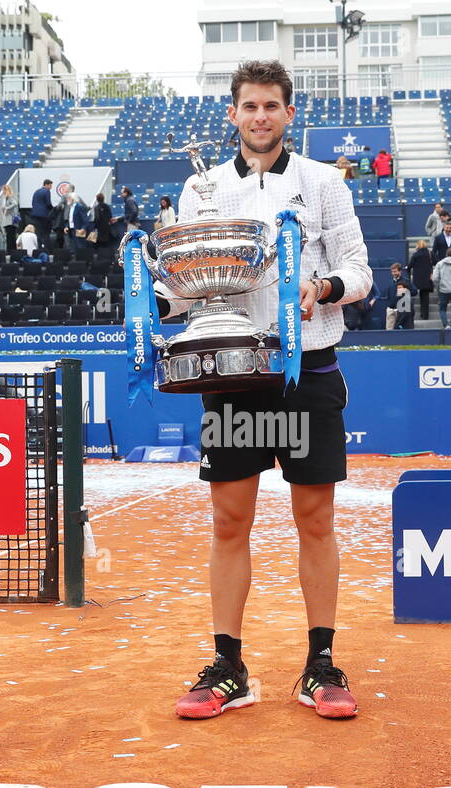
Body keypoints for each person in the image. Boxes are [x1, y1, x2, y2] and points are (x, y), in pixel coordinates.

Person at [156, 60, 371, 721]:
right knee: (229, 520)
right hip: (232, 372)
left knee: (315, 521)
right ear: (232, 113)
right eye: (249, 106)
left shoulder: (324, 183)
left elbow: (359, 271)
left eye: (271, 106)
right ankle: (228, 666)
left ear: (289, 113)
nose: (260, 116)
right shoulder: (201, 190)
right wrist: (156, 295)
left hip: (308, 370)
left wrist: (323, 287)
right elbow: (183, 285)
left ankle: (320, 663)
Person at [407, 238, 433, 323]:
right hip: (427, 278)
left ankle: (422, 313)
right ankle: (425, 314)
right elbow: (435, 261)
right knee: (425, 296)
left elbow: (410, 265)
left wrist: (407, 270)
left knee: (422, 295)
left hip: (418, 279)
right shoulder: (429, 253)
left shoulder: (416, 254)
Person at [0, 185, 19, 253]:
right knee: (10, 236)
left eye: (3, 190)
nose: (2, 192)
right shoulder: (5, 198)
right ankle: (11, 250)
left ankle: (10, 251)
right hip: (8, 221)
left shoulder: (9, 197)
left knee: (11, 237)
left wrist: (7, 208)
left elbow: (15, 203)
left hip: (10, 221)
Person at [30, 178, 54, 249]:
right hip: (44, 216)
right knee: (46, 233)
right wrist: (53, 210)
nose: (51, 187)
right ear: (46, 185)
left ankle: (39, 249)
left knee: (38, 233)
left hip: (35, 215)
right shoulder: (47, 191)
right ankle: (47, 249)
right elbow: (48, 204)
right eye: (50, 185)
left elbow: (33, 203)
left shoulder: (36, 191)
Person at [382, 261, 406, 330]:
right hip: (390, 309)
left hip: (401, 311)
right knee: (389, 330)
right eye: (392, 272)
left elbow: (414, 291)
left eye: (395, 271)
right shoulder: (390, 282)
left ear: (400, 271)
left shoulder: (405, 281)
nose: (393, 273)